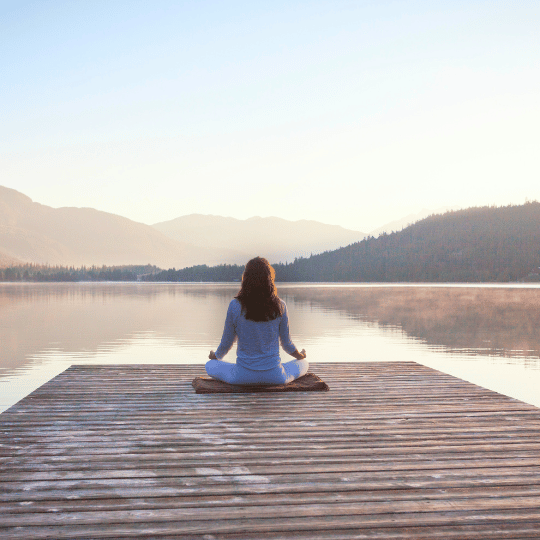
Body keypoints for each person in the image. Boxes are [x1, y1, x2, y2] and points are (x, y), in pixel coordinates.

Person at [206, 257, 308, 385]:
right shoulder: (280, 306)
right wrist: (300, 356)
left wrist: (216, 357)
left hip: (242, 377)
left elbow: (227, 343)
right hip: (276, 377)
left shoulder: (235, 305)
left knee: (210, 365)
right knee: (304, 363)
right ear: (269, 279)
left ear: (246, 278)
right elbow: (286, 344)